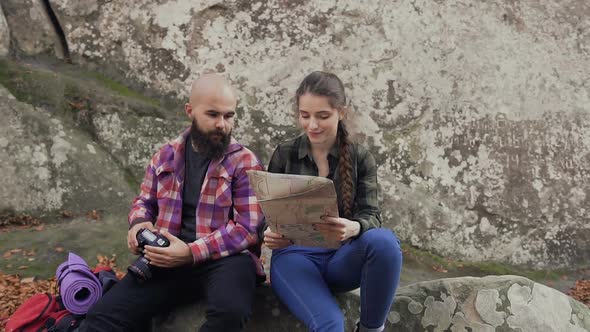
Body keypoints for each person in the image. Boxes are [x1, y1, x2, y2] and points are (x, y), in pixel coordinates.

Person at [82, 73, 265, 332]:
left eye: (228, 116)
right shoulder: (165, 156)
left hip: (226, 258)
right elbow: (143, 201)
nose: (222, 124)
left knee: (230, 312)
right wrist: (139, 223)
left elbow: (248, 229)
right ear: (190, 111)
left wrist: (191, 253)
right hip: (168, 254)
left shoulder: (244, 161)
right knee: (101, 318)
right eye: (212, 114)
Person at [264, 71, 403, 332]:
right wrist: (269, 233)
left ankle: (371, 328)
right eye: (305, 116)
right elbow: (267, 214)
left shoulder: (360, 157)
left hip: (342, 258)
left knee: (385, 242)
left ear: (342, 112)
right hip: (295, 259)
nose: (312, 125)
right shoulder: (285, 153)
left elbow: (372, 213)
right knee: (331, 324)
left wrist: (354, 228)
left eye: (322, 116)